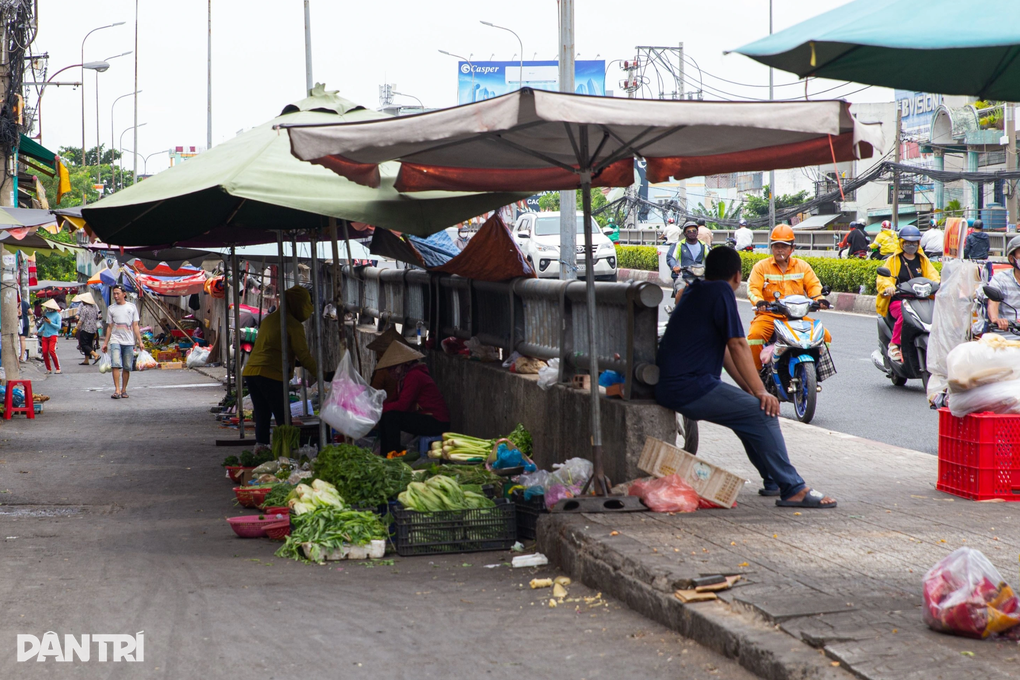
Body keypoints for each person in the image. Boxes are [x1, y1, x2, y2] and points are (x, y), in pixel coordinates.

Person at [655, 246, 836, 509]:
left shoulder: (696, 290)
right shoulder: (721, 291)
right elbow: (738, 344)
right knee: (763, 412)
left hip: (677, 384)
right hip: (690, 386)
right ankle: (793, 489)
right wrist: (761, 392)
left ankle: (773, 480)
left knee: (749, 410)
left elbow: (725, 351)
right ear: (737, 276)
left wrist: (751, 389)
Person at [746, 225, 831, 370]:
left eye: (784, 247)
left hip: (797, 316)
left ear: (792, 248)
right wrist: (759, 301)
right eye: (776, 246)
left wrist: (820, 299)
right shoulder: (761, 267)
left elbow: (814, 286)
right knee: (755, 336)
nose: (780, 250)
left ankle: (815, 371)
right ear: (771, 248)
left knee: (825, 336)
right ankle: (757, 374)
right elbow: (752, 288)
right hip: (769, 316)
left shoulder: (802, 266)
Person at [242, 286, 318, 446]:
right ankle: (287, 452)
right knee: (283, 418)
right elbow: (304, 356)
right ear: (298, 304)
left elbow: (272, 348)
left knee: (262, 415)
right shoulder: (293, 325)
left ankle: (261, 448)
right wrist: (323, 374)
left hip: (251, 372)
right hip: (270, 374)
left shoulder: (269, 319)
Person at [876, 226, 941, 363]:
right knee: (904, 313)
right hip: (899, 300)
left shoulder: (923, 260)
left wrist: (939, 285)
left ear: (918, 243)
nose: (911, 245)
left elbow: (933, 276)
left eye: (914, 242)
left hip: (920, 300)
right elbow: (884, 279)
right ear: (901, 243)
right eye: (907, 242)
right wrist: (888, 287)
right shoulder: (893, 260)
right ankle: (894, 344)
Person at [376, 342, 450, 456]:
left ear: (401, 366)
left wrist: (382, 408)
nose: (390, 372)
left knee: (391, 417)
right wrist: (379, 408)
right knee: (387, 415)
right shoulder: (403, 379)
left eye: (391, 368)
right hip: (425, 417)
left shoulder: (414, 376)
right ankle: (385, 454)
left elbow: (402, 405)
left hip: (436, 421)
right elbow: (393, 400)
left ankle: (392, 455)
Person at [101, 285, 143, 399]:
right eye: (114, 293)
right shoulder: (111, 308)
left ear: (124, 294)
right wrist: (105, 343)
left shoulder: (132, 307)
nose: (115, 296)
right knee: (115, 365)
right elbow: (110, 327)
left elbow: (135, 325)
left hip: (128, 341)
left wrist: (140, 341)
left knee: (127, 366)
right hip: (115, 340)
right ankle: (117, 390)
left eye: (118, 293)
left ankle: (124, 390)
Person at [666, 221, 707, 304]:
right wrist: (674, 266)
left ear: (697, 232)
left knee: (711, 291)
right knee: (681, 289)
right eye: (689, 231)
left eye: (694, 231)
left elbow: (712, 258)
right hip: (683, 275)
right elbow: (671, 258)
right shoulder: (679, 245)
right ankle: (678, 309)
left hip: (700, 276)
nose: (692, 233)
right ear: (685, 233)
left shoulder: (703, 245)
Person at [987, 235, 1020, 333]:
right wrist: (996, 319)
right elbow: (993, 303)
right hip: (1008, 335)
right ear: (1011, 258)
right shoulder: (1000, 279)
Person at [73, 292, 100, 365]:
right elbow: (97, 316)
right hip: (93, 329)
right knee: (89, 344)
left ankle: (95, 355)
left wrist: (76, 328)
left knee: (84, 344)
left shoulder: (84, 309)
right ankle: (86, 360)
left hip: (85, 329)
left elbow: (81, 320)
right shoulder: (94, 307)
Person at [39, 299, 62, 374]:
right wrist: (38, 331)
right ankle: (48, 369)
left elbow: (58, 327)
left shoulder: (58, 315)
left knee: (51, 351)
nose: (47, 308)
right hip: (45, 335)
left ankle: (58, 368)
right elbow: (44, 324)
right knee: (45, 352)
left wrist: (50, 323)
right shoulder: (47, 314)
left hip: (53, 335)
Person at [18, 296, 29, 362]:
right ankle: (22, 356)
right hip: (25, 322)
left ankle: (18, 355)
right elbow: (31, 312)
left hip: (19, 323)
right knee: (22, 340)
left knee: (16, 339)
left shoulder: (15, 302)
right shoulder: (25, 303)